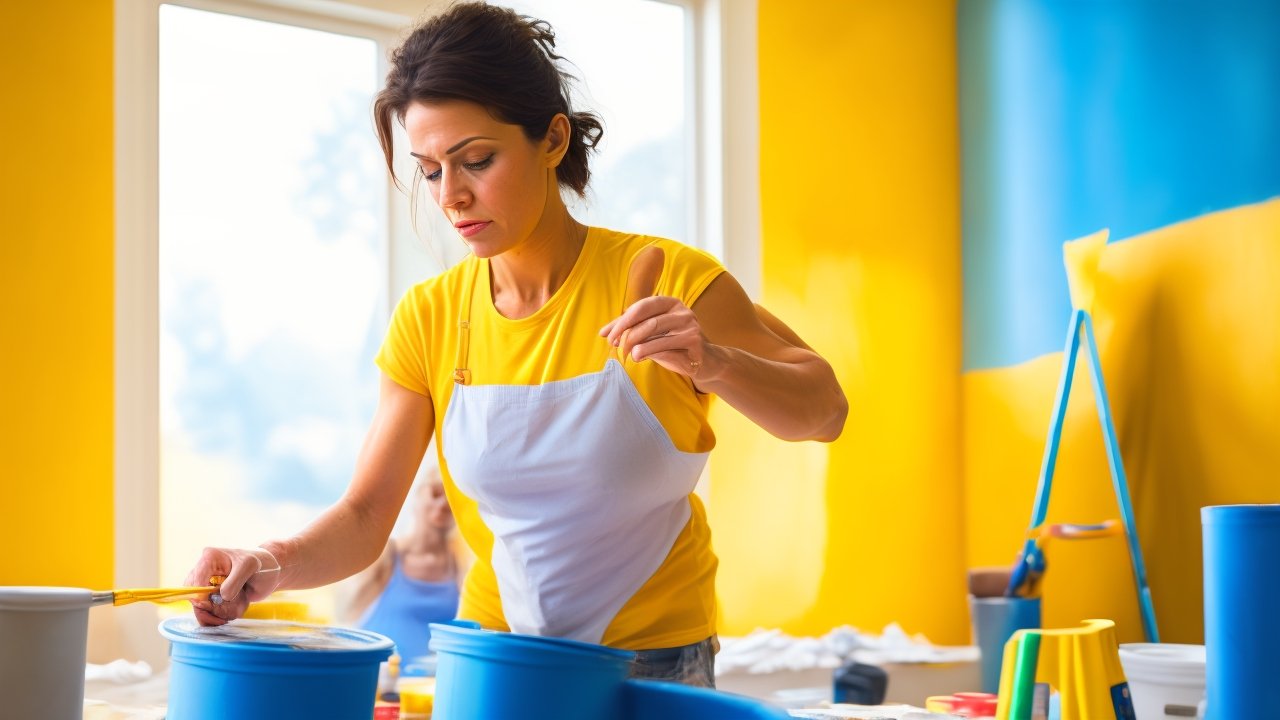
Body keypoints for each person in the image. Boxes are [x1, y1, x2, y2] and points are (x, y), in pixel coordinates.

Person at [186, 1, 848, 688]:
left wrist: (715, 362)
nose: (452, 197)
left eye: (476, 160)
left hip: (655, 667)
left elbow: (824, 412)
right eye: (432, 170)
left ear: (554, 139)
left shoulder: (667, 280)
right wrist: (261, 562)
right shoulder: (430, 318)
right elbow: (364, 516)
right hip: (496, 662)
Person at [339, 462, 462, 662]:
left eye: (452, 498)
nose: (443, 503)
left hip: (426, 688)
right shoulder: (385, 554)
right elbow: (346, 612)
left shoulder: (460, 566)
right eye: (436, 493)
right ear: (417, 497)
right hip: (379, 683)